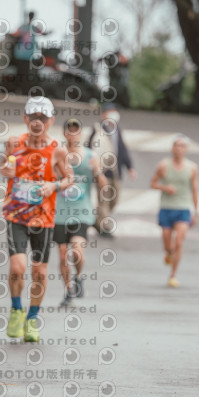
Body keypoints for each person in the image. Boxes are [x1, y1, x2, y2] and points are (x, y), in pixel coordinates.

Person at [1, 96, 73, 342]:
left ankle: (32, 318)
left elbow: (69, 178)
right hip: (16, 215)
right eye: (33, 116)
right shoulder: (14, 143)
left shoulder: (57, 150)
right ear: (25, 118)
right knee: (17, 267)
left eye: (43, 117)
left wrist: (54, 186)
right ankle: (16, 309)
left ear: (51, 120)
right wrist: (5, 170)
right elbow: (6, 167)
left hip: (44, 219)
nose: (37, 122)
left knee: (40, 273)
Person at [54, 119, 107, 306]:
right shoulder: (58, 155)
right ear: (64, 134)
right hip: (59, 212)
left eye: (76, 131)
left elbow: (104, 186)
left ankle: (78, 276)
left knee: (76, 252)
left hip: (81, 211)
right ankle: (68, 290)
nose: (73, 134)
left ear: (81, 134)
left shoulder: (90, 156)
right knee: (62, 255)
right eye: (70, 131)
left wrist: (97, 171)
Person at [150, 134, 199, 288]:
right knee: (167, 242)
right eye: (177, 146)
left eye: (182, 146)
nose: (179, 149)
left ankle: (173, 275)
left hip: (183, 208)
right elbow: (153, 183)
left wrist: (195, 212)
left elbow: (195, 190)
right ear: (172, 148)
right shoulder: (163, 165)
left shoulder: (192, 168)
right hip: (166, 207)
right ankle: (169, 253)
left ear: (186, 149)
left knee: (178, 241)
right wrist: (165, 188)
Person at [87, 102, 136, 238]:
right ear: (104, 115)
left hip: (116, 171)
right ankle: (104, 227)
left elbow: (122, 149)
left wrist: (130, 167)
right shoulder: (97, 129)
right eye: (110, 111)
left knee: (114, 199)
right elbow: (89, 148)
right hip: (102, 171)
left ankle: (97, 220)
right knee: (104, 199)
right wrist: (94, 169)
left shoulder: (116, 129)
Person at [11, 11, 51, 94]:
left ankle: (20, 90)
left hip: (22, 55)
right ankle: (22, 90)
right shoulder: (31, 28)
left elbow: (14, 34)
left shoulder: (25, 27)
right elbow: (44, 33)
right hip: (24, 56)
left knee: (21, 73)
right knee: (24, 74)